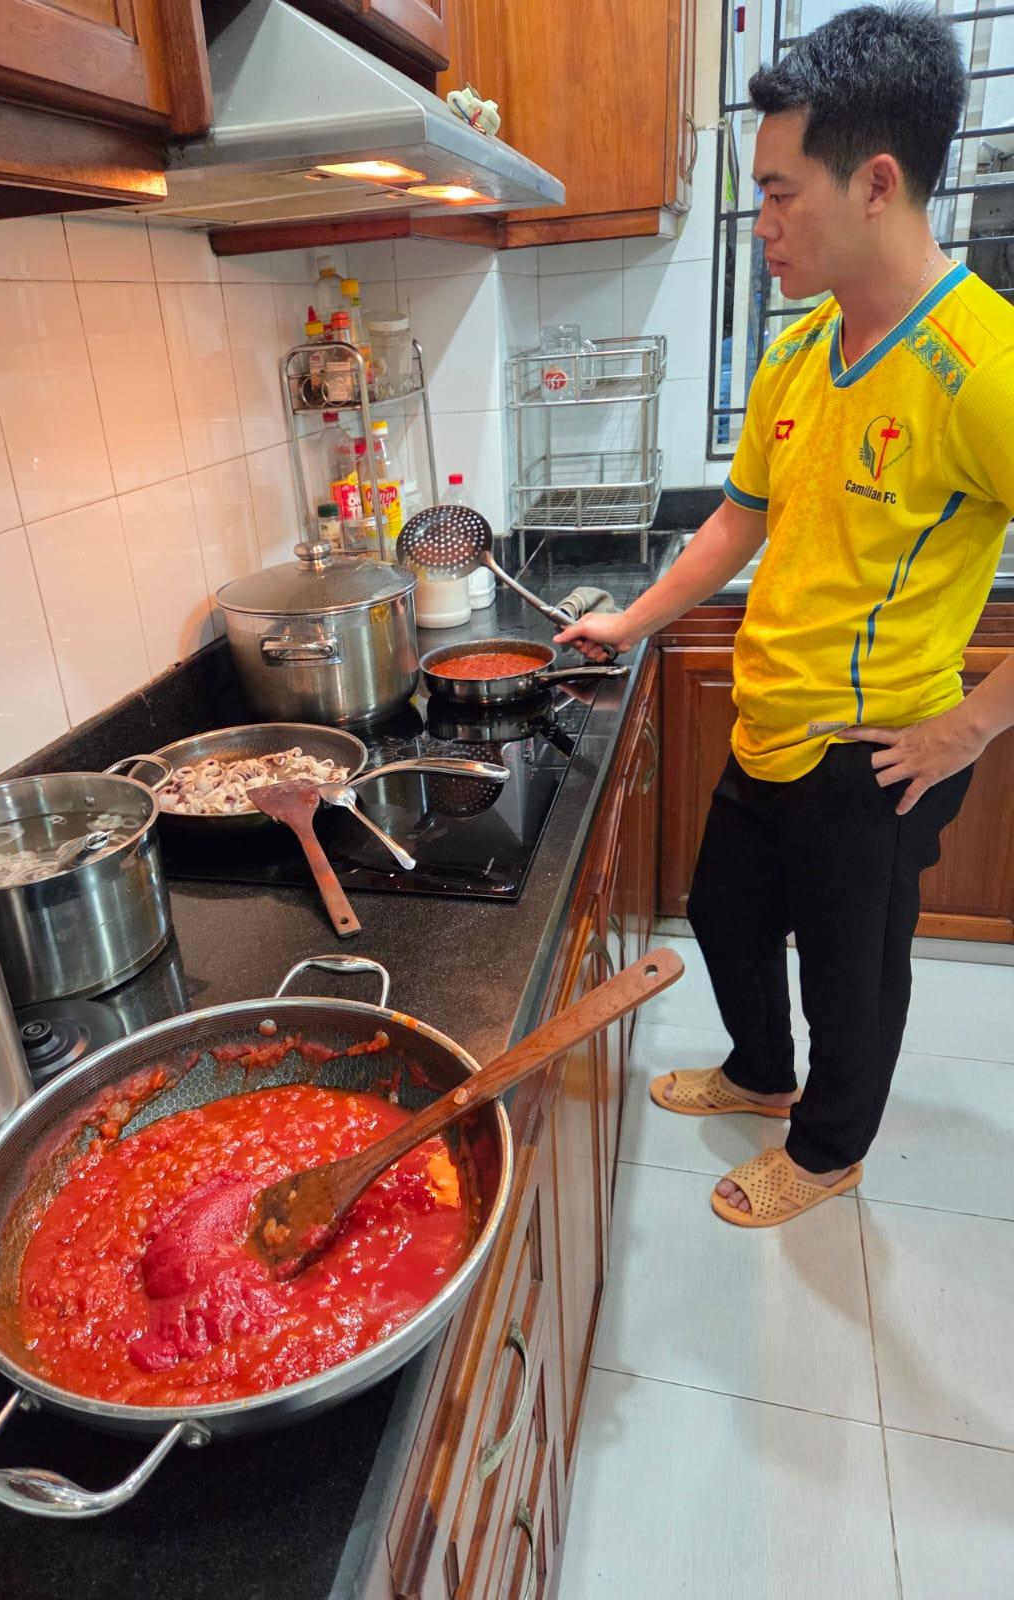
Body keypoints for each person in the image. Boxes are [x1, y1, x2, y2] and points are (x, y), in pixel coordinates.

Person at [556, 4, 1014, 1227]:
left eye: (776, 193)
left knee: (851, 977)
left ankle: (826, 1151)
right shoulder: (800, 350)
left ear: (876, 183)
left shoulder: (983, 365)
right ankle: (762, 1074)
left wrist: (971, 727)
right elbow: (736, 521)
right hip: (771, 721)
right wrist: (630, 623)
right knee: (723, 913)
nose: (758, 223)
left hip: (876, 749)